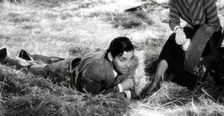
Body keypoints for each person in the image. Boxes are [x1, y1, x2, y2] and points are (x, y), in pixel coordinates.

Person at [143, 0, 222, 95]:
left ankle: (176, 74)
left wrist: (193, 41)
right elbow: (173, 19)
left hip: (210, 35)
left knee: (184, 49)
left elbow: (213, 23)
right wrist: (178, 30)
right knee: (174, 39)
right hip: (192, 29)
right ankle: (156, 81)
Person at [0, 36, 138, 99]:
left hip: (78, 64)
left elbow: (129, 70)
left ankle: (30, 56)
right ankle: (6, 58)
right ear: (110, 57)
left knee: (54, 59)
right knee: (33, 70)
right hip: (64, 74)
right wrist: (120, 88)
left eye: (130, 59)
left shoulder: (132, 60)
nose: (128, 64)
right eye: (122, 60)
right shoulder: (97, 71)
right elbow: (93, 99)